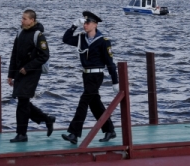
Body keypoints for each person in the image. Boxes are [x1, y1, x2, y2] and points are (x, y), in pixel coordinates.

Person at [61, 11, 119, 145]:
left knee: (83, 101)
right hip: (86, 75)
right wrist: (73, 26)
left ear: (95, 24)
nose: (85, 25)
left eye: (88, 23)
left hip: (96, 75)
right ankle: (109, 130)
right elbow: (66, 39)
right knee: (95, 105)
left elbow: (110, 63)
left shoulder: (103, 41)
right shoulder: (81, 38)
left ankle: (74, 133)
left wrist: (115, 81)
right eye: (84, 22)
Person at [7, 9, 56, 143]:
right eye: (21, 18)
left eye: (24, 19)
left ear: (32, 20)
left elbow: (45, 56)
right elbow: (14, 55)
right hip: (19, 72)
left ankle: (22, 134)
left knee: (22, 102)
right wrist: (10, 75)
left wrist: (28, 68)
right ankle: (47, 119)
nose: (21, 21)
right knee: (23, 102)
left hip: (32, 73)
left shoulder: (38, 35)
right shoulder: (20, 33)